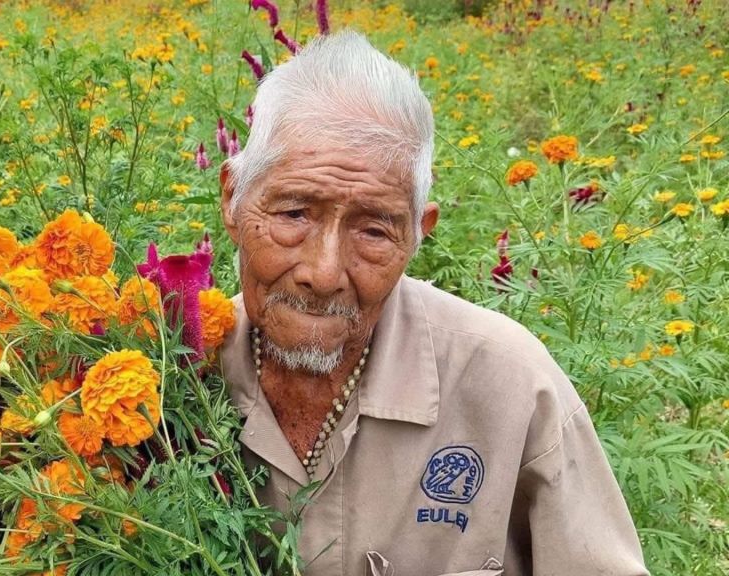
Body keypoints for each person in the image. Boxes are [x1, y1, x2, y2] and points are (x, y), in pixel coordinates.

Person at [217, 30, 649, 576]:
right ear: (233, 200)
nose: (324, 274)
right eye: (293, 214)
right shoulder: (171, 379)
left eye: (373, 231)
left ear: (418, 233)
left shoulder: (511, 387)